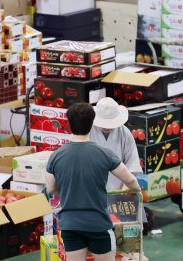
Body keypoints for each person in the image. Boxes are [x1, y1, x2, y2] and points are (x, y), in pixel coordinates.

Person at [46, 103, 140, 261]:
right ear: (92, 124)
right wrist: (135, 189)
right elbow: (130, 179)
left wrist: (69, 192)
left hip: (70, 224)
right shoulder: (104, 153)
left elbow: (50, 188)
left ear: (69, 124)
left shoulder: (56, 155)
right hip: (97, 223)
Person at [89, 98, 142, 191]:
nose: (107, 127)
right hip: (92, 189)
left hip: (118, 189)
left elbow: (132, 162)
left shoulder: (124, 132)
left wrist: (126, 187)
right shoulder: (87, 131)